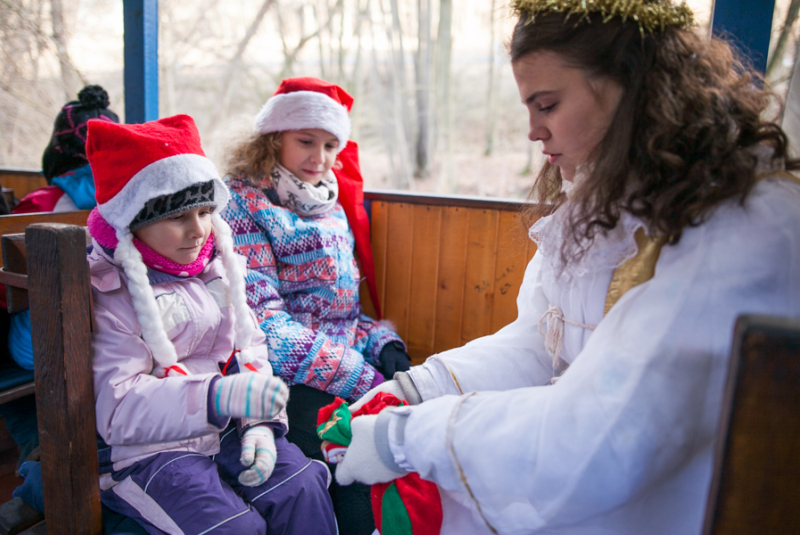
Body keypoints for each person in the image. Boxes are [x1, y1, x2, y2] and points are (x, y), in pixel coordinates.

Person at [333, 1, 800, 534]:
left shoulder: (741, 227)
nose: (533, 131)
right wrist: (420, 388)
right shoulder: (607, 206)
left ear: (634, 87)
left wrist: (407, 436)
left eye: (547, 105)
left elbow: (608, 435)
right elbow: (540, 341)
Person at [84, 114, 336, 534]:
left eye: (205, 212)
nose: (198, 230)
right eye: (177, 217)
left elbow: (250, 345)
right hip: (150, 453)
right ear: (131, 220)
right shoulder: (110, 292)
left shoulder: (217, 269)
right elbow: (119, 409)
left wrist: (261, 424)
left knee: (303, 484)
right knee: (234, 527)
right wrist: (216, 398)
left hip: (232, 430)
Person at [220, 77, 410, 534]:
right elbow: (264, 324)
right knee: (356, 458)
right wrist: (364, 379)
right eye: (306, 141)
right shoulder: (242, 205)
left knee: (397, 451)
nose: (319, 158)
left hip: (339, 369)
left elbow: (344, 316)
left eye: (330, 145)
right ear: (272, 140)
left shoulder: (331, 207)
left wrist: (384, 346)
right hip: (276, 376)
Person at [0, 85, 119, 474]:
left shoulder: (38, 204)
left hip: (46, 344)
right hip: (119, 330)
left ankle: (36, 445)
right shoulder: (127, 197)